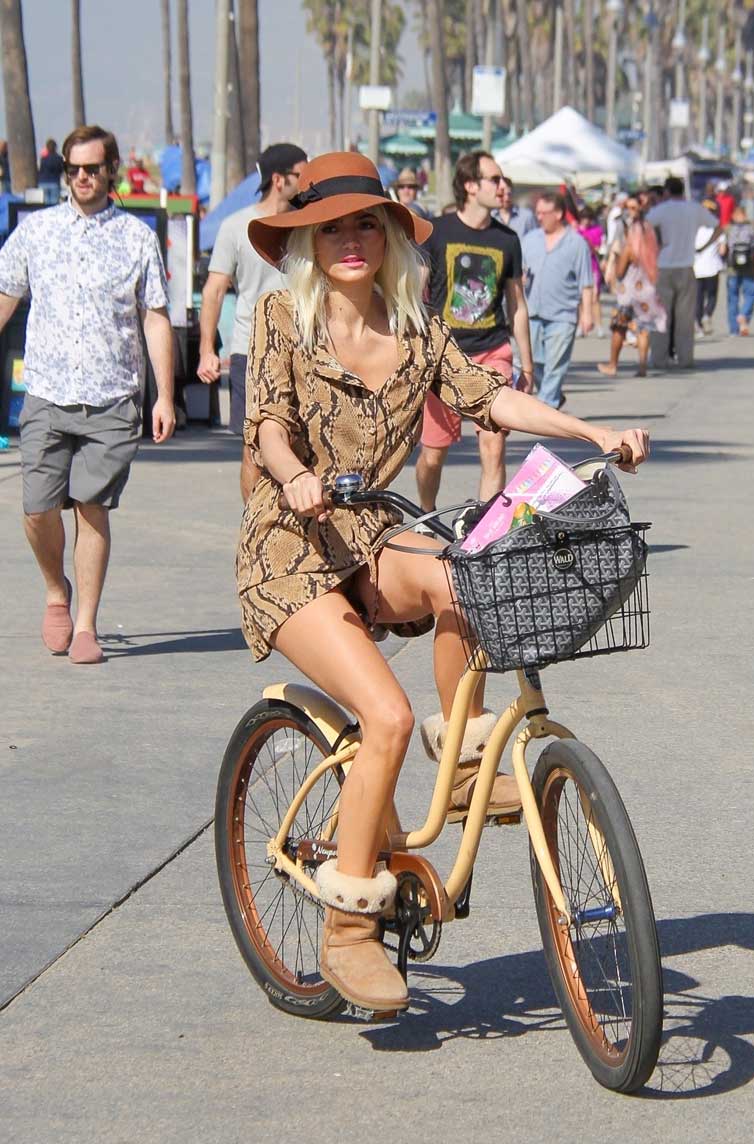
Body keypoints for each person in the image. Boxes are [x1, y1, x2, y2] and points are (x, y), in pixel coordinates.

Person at [241, 150, 650, 1013]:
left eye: (365, 223)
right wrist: (294, 475)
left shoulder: (418, 328)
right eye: (331, 227)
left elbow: (486, 396)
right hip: (290, 546)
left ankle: (462, 769)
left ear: (390, 235)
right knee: (384, 715)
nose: (351, 240)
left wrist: (588, 430)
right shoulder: (283, 315)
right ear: (309, 241)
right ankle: (347, 928)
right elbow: (270, 423)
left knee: (467, 580)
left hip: (373, 536)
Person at [0, 124, 175, 664]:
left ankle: (85, 627)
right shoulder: (36, 232)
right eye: (72, 169)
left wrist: (164, 395)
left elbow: (155, 318)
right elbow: (6, 297)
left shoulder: (136, 238)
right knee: (37, 508)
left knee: (91, 507)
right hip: (48, 393)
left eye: (92, 169)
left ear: (111, 171)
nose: (81, 177)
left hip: (113, 397)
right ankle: (57, 590)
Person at [415, 149, 535, 511]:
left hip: (491, 351)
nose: (503, 187)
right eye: (494, 180)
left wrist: (527, 366)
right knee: (433, 455)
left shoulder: (507, 239)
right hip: (444, 358)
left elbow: (517, 305)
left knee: (493, 445)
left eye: (504, 180)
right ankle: (426, 513)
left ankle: (485, 534)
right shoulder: (436, 232)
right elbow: (415, 296)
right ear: (470, 185)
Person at [197, 142, 307, 501]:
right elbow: (214, 290)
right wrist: (206, 351)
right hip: (251, 350)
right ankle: (255, 526)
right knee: (255, 446)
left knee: (302, 443)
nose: (308, 182)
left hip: (306, 348)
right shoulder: (235, 226)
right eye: (300, 174)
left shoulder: (310, 224)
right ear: (279, 179)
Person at [521, 190, 594, 408]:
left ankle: (546, 406)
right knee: (535, 362)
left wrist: (587, 314)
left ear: (559, 213)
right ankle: (552, 396)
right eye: (538, 213)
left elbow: (586, 283)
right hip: (532, 311)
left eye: (544, 212)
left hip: (563, 314)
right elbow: (518, 271)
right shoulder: (530, 239)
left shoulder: (576, 243)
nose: (540, 217)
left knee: (556, 365)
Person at [647, 175, 719, 370]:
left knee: (662, 315)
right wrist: (704, 246)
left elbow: (645, 227)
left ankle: (660, 358)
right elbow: (717, 225)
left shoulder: (660, 210)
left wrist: (656, 247)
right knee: (685, 317)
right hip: (687, 265)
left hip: (664, 267)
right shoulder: (694, 208)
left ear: (667, 191)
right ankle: (686, 358)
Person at [598, 194, 666, 378]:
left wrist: (618, 258)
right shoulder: (652, 248)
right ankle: (643, 366)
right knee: (643, 328)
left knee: (619, 328)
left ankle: (613, 364)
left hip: (628, 292)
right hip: (647, 291)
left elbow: (620, 272)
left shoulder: (630, 249)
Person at [693, 201, 727, 336]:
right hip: (712, 267)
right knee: (712, 295)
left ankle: (698, 325)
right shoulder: (717, 229)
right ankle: (707, 314)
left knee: (698, 297)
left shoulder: (693, 228)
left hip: (696, 268)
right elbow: (723, 251)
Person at [726, 206, 754, 336]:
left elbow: (723, 249)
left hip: (732, 268)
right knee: (751, 294)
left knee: (732, 298)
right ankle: (744, 314)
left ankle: (734, 329)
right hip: (749, 268)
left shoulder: (728, 229)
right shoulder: (753, 228)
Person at [576, 205, 606, 337]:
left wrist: (590, 244)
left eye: (588, 218)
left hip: (593, 267)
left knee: (594, 298)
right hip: (578, 268)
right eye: (583, 218)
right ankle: (581, 325)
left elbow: (600, 250)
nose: (586, 221)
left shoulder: (597, 231)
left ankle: (599, 326)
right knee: (580, 299)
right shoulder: (575, 231)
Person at [493, 175, 536, 240]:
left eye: (509, 194)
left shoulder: (526, 216)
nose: (506, 198)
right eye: (502, 194)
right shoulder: (491, 216)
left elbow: (535, 239)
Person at [37, 138, 63, 205]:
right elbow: (61, 170)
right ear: (55, 147)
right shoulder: (59, 158)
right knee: (54, 205)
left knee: (45, 204)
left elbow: (41, 170)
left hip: (43, 182)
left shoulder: (43, 158)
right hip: (54, 182)